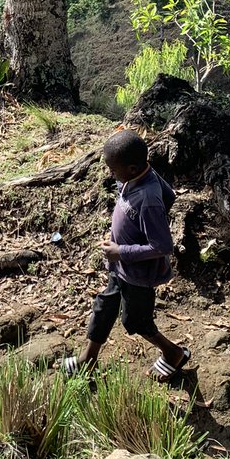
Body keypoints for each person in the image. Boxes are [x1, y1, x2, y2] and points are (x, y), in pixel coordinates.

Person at [63, 128, 191, 381]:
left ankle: (173, 353)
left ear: (132, 168)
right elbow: (170, 194)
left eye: (113, 169)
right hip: (120, 267)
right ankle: (87, 359)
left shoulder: (148, 198)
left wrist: (121, 250)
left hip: (137, 275)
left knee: (136, 321)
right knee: (104, 306)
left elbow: (162, 246)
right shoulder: (136, 177)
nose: (111, 174)